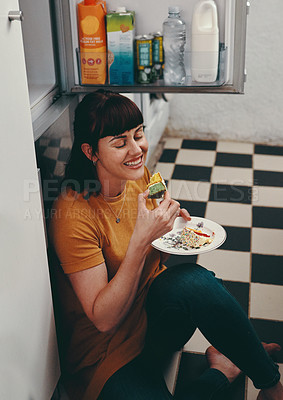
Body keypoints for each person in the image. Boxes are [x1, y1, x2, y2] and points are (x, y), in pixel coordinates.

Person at [49, 89, 283, 400]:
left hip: (152, 318)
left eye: (138, 134)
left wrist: (171, 228)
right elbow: (103, 320)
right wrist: (142, 239)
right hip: (105, 352)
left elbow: (158, 255)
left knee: (197, 283)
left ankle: (270, 383)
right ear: (91, 152)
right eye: (120, 142)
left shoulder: (138, 176)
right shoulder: (73, 216)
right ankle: (224, 367)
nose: (136, 149)